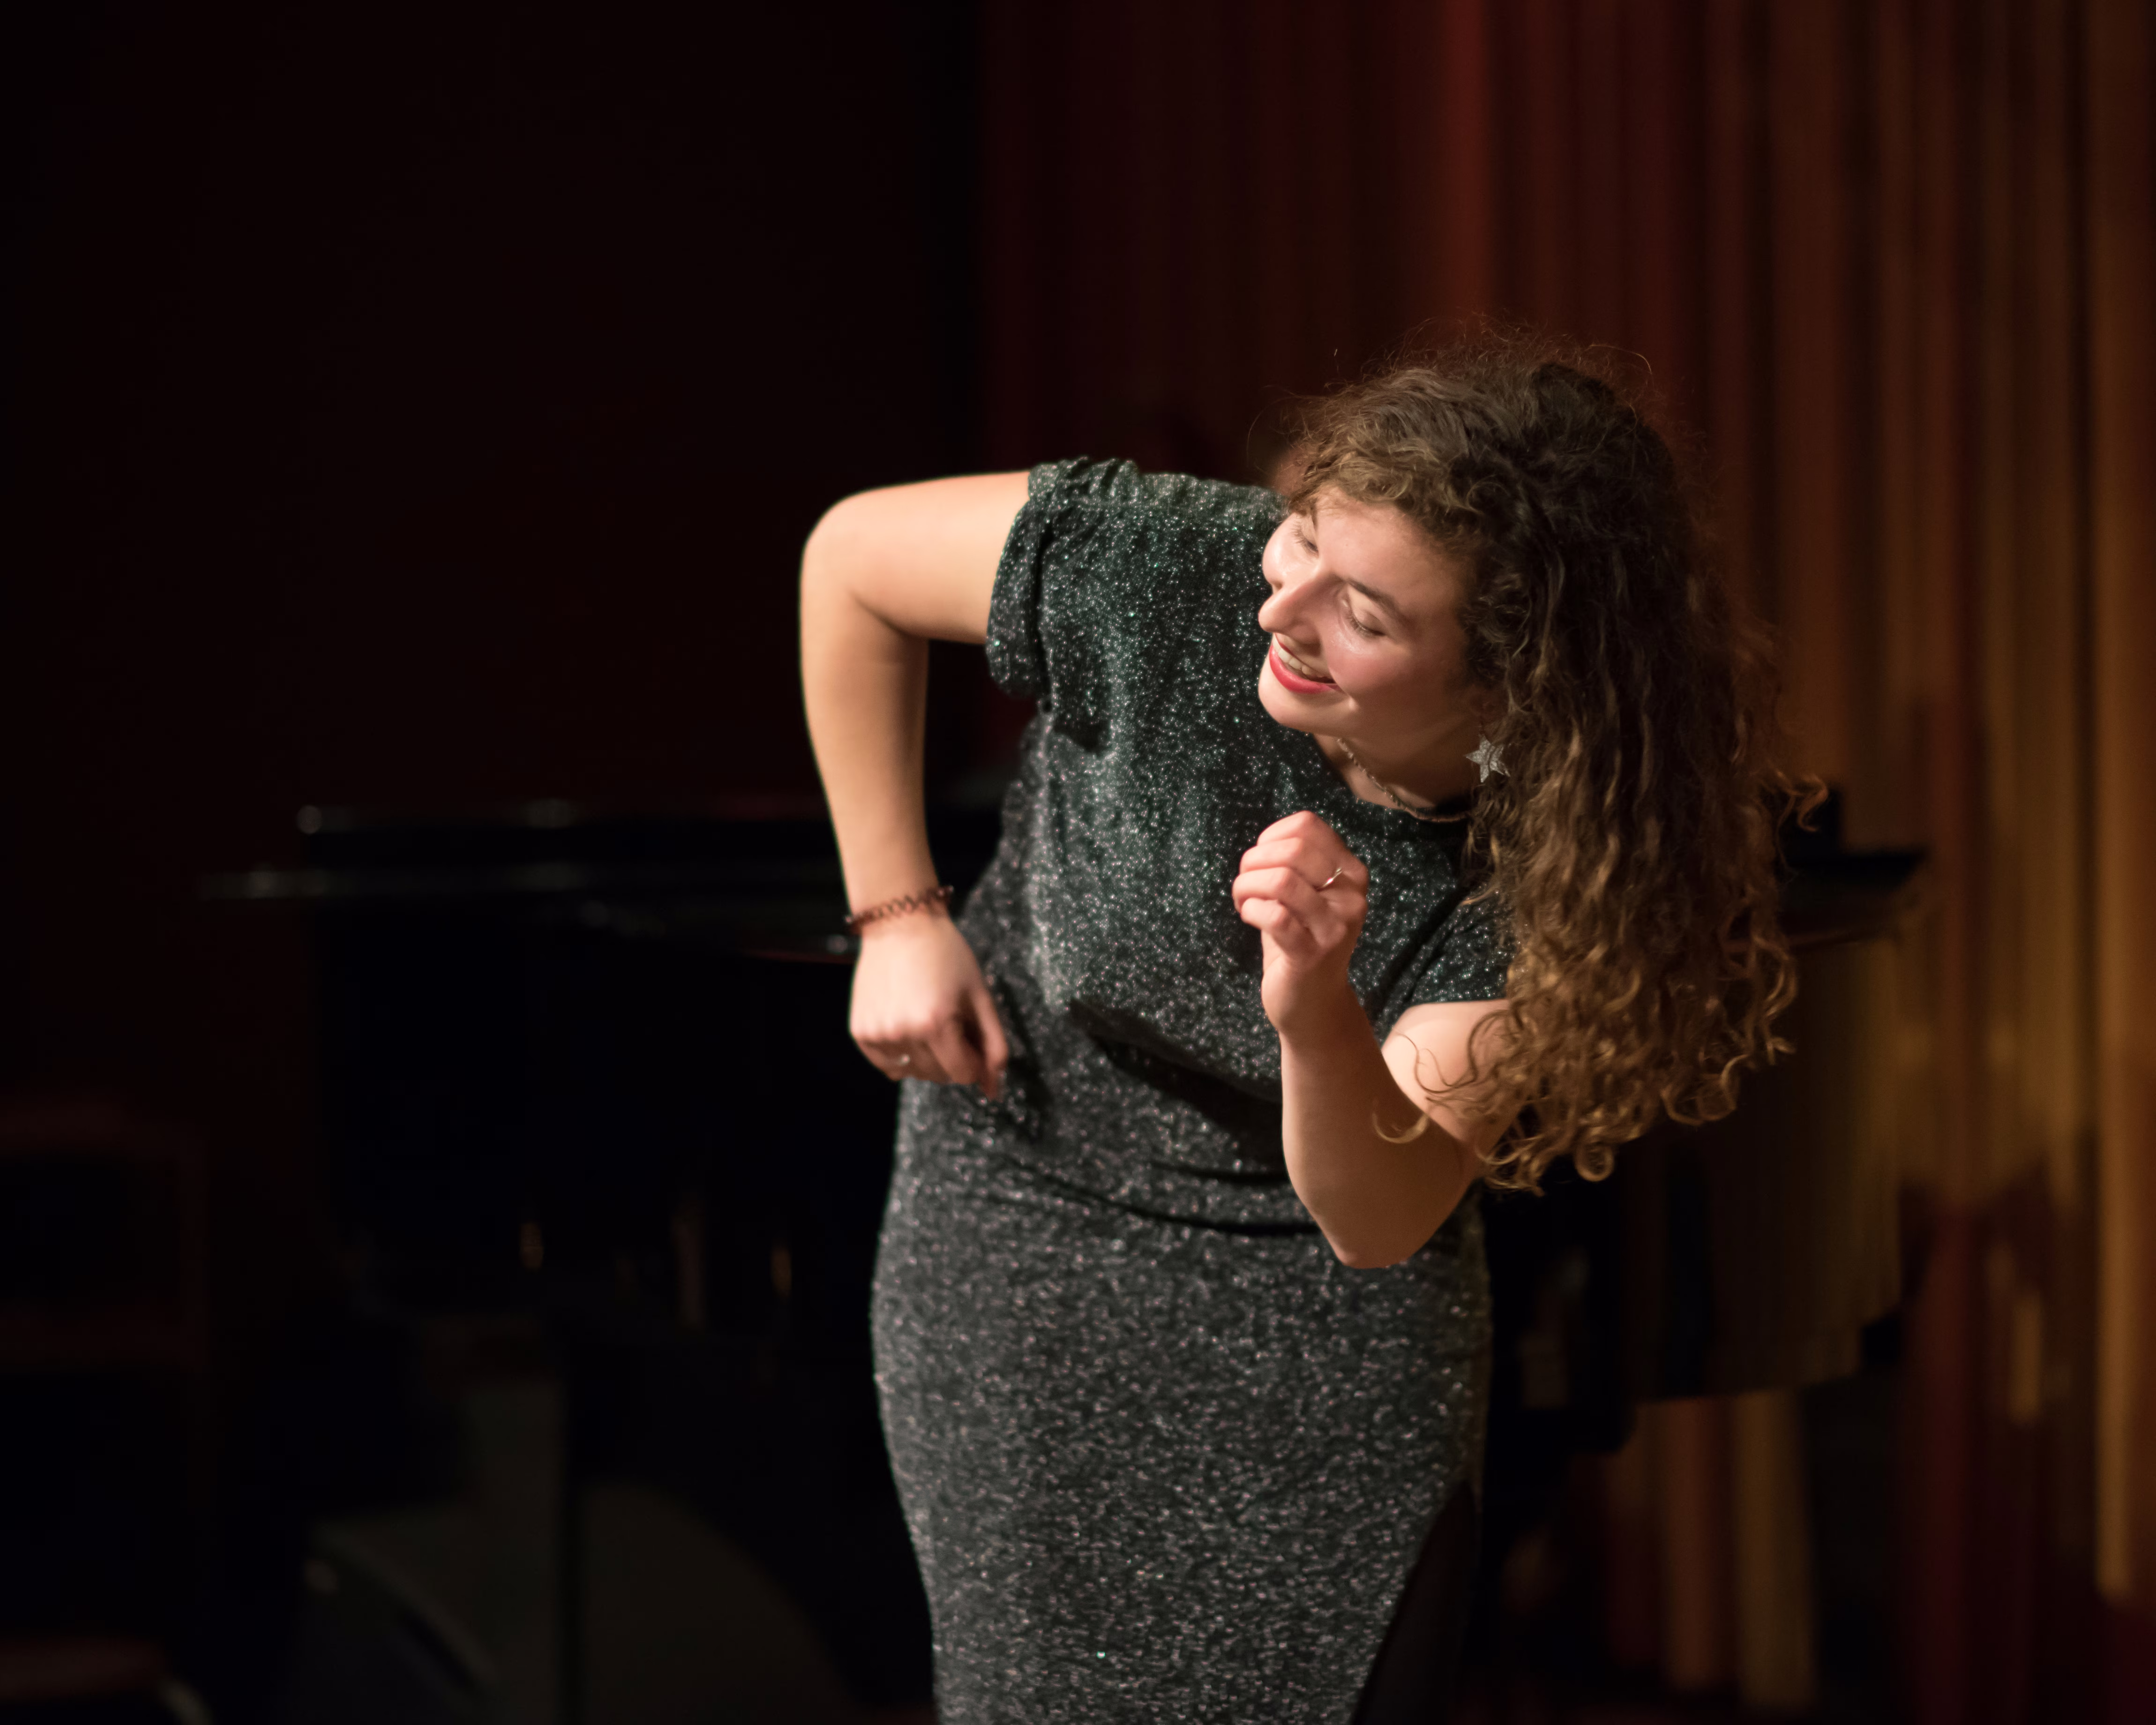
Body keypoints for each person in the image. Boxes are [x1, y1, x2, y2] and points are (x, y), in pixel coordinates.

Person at [799, 338, 1804, 1724]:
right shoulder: (1174, 563)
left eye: (1366, 614)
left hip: (1327, 1316)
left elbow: (1377, 1219)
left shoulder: (1557, 868)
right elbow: (852, 560)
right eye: (1306, 540)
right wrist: (897, 914)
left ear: (1513, 683)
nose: (1284, 609)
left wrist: (1315, 1011)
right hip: (1023, 1223)